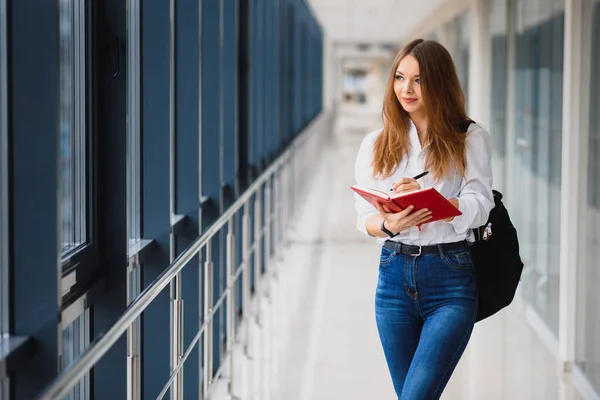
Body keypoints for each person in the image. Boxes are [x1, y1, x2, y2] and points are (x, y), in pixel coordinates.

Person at [353, 39, 494, 399]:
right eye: (400, 77)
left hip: (450, 277)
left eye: (419, 80)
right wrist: (388, 224)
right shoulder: (376, 143)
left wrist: (442, 202)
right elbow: (365, 217)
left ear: (439, 83)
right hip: (393, 278)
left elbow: (481, 202)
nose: (406, 89)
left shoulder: (469, 137)